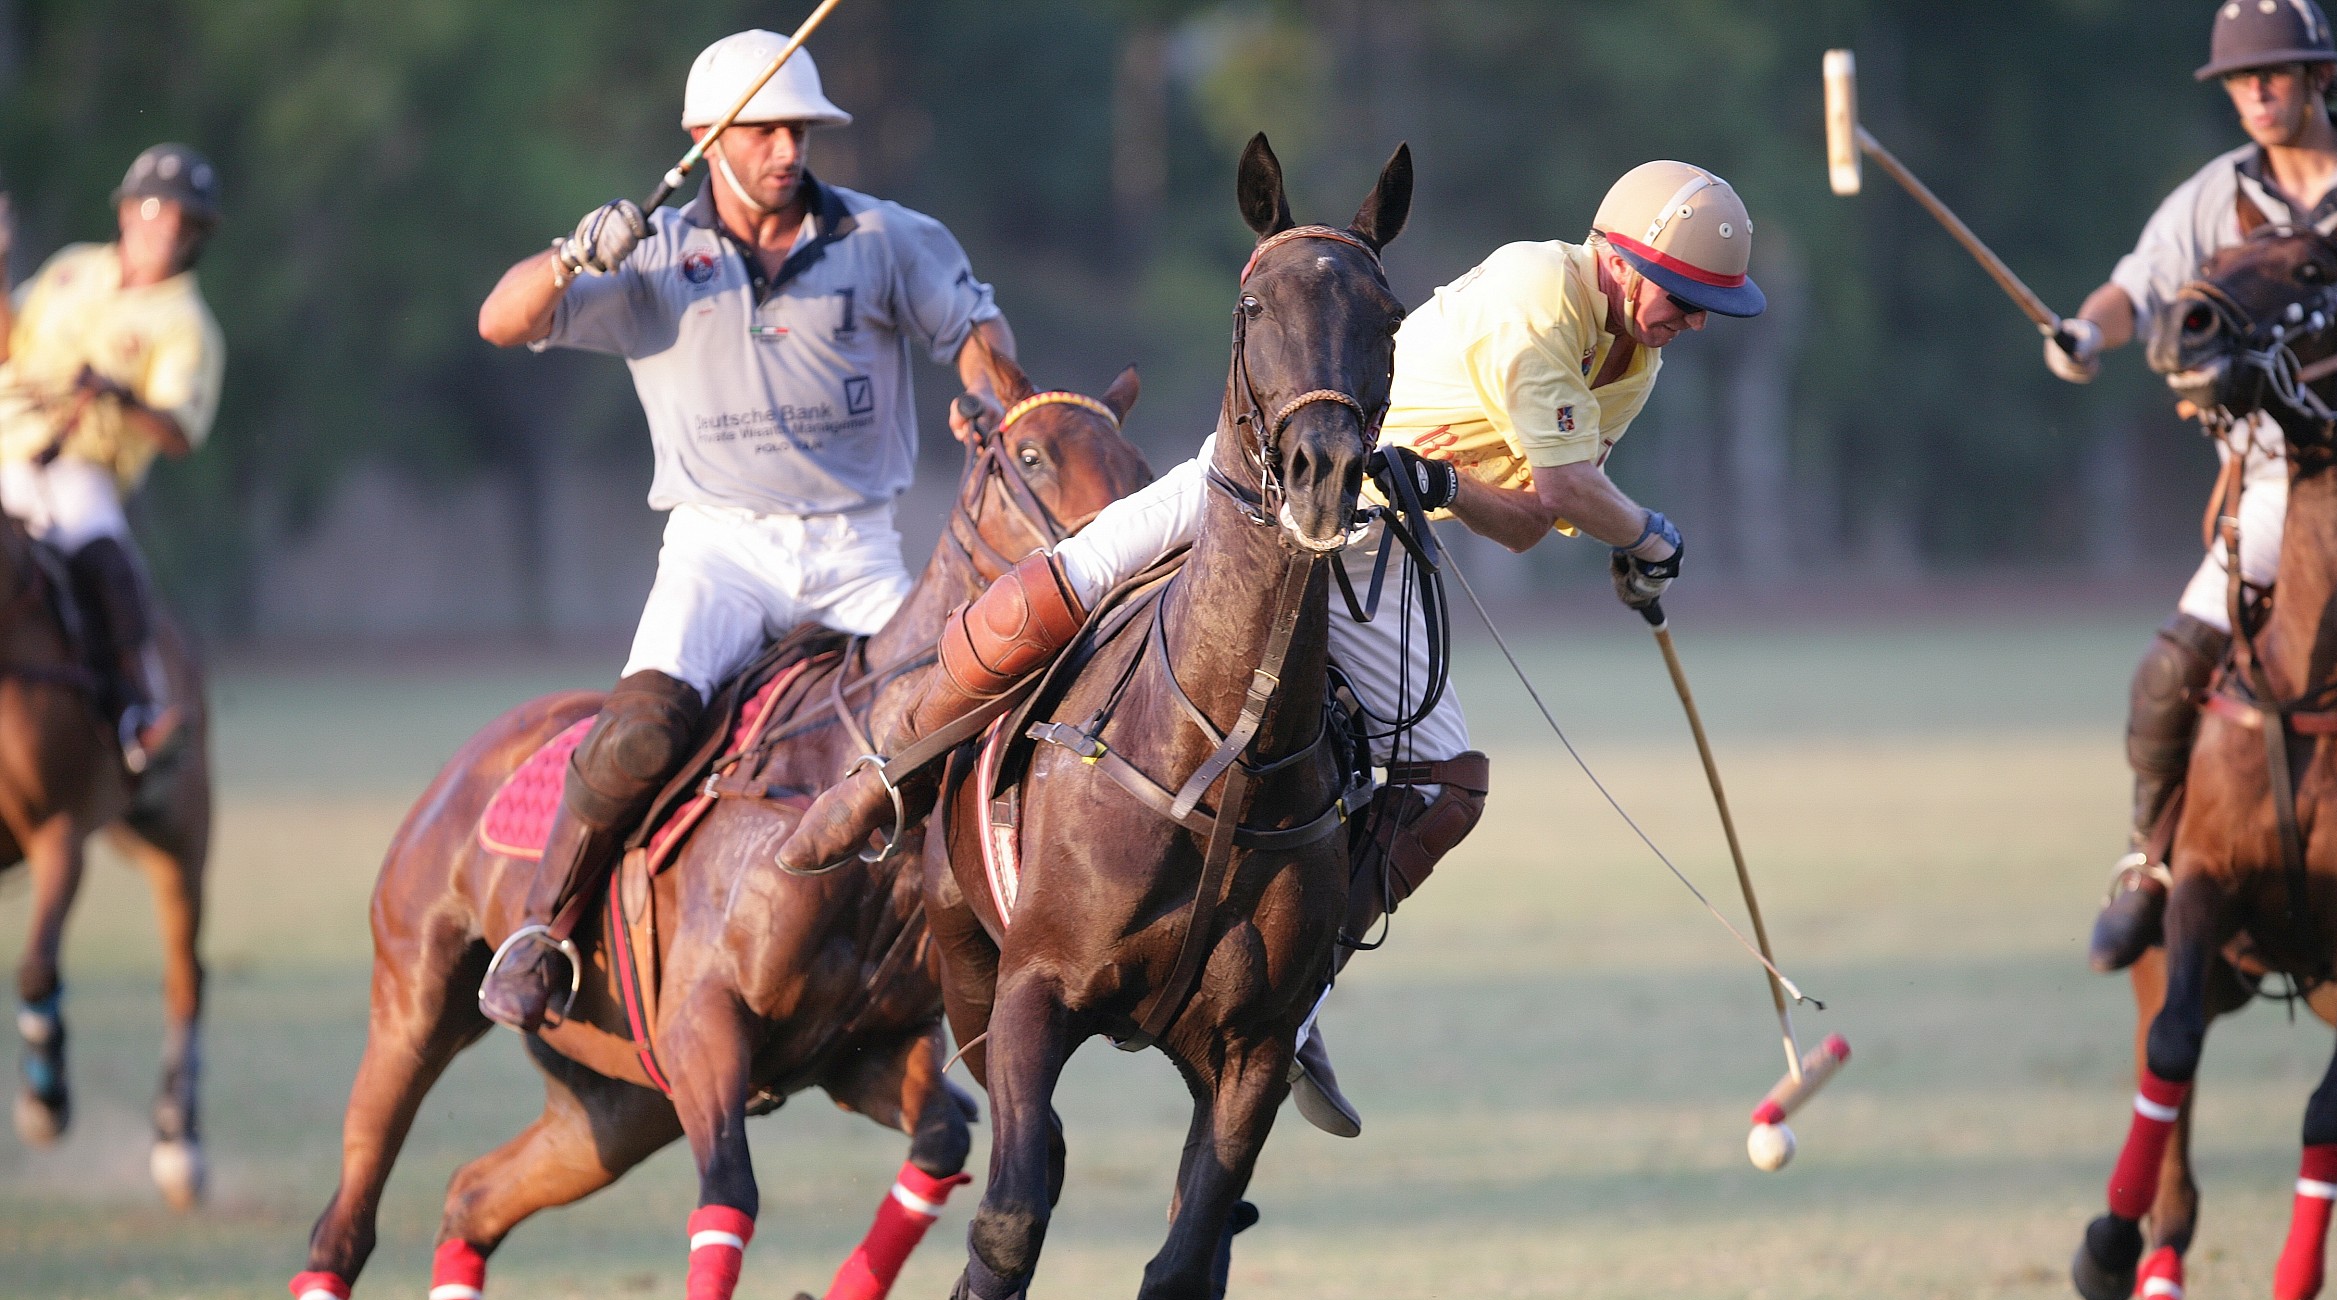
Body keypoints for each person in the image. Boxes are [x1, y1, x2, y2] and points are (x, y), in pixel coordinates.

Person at [778, 160, 1765, 1134]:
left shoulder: (1635, 361)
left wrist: (1460, 490)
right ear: (1620, 259)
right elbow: (1565, 493)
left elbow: (1525, 520)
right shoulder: (1540, 288)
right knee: (1073, 577)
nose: (1690, 317)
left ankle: (1298, 978)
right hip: (1266, 482)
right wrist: (1643, 535)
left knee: (1448, 782)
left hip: (1375, 527)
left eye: (1706, 305)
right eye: (1681, 293)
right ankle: (869, 786)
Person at [473, 30, 1015, 1031]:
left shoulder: (885, 240)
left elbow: (977, 335)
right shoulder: (651, 261)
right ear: (705, 137)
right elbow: (500, 322)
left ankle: (1013, 936)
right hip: (719, 548)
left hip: (857, 547)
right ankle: (546, 932)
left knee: (971, 723)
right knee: (637, 731)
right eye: (762, 129)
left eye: (798, 130)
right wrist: (567, 258)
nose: (785, 149)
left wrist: (987, 398)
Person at [2050, 0, 2337, 970]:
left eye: (2274, 74)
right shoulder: (2219, 196)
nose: (2255, 92)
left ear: (2321, 76)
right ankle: (2147, 867)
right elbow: (2139, 288)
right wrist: (2087, 333)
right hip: (2273, 497)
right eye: (2240, 80)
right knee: (2166, 675)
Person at [0, 145, 225, 772]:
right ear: (127, 212)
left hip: (78, 471)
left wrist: (122, 398)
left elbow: (179, 433)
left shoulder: (187, 323)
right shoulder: (71, 269)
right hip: (2, 450)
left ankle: (139, 709)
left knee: (104, 555)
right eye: (156, 209)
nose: (167, 228)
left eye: (186, 220)